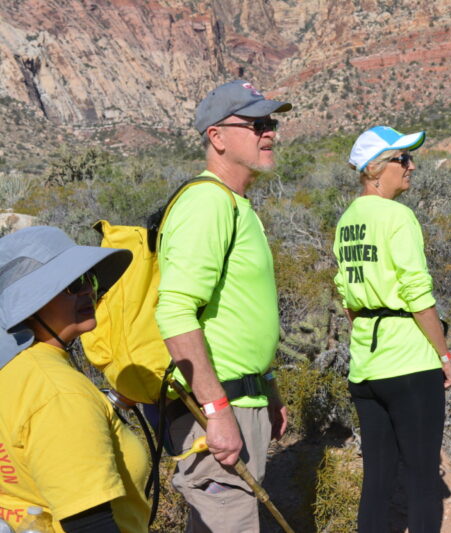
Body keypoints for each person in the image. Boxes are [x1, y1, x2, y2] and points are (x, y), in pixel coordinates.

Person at [155, 80, 291, 532]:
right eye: (256, 124)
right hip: (218, 407)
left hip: (240, 400)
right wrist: (217, 411)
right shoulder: (207, 203)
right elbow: (175, 311)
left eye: (270, 122)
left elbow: (234, 314)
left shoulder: (235, 204)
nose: (269, 132)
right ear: (216, 137)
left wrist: (267, 387)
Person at [333, 126, 451, 532]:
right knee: (423, 478)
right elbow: (418, 295)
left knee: (378, 479)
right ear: (375, 170)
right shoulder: (398, 216)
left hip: (366, 365)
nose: (411, 166)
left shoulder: (347, 220)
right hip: (409, 363)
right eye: (402, 159)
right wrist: (443, 354)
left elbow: (349, 298)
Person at [0, 226, 149, 533]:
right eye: (73, 284)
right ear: (30, 301)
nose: (89, 290)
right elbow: (89, 524)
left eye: (90, 279)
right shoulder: (58, 393)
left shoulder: (14, 370)